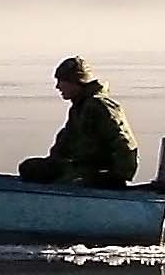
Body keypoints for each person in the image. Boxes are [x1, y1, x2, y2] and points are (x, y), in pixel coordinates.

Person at [19, 56, 138, 187]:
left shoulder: (99, 106)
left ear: (76, 81)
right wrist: (53, 164)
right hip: (81, 167)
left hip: (100, 172)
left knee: (66, 181)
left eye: (61, 81)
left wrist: (118, 177)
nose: (58, 86)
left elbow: (124, 143)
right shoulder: (79, 108)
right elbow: (65, 142)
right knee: (30, 168)